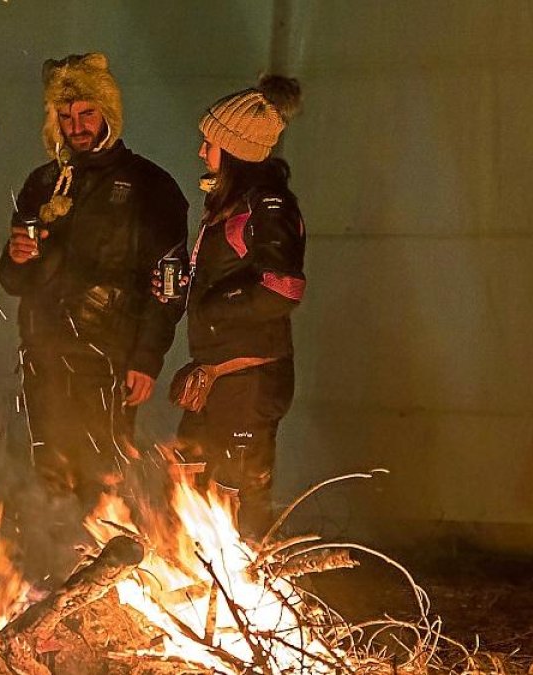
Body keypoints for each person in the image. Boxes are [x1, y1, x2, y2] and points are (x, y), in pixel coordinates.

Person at [0, 53, 188, 509]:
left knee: (102, 476)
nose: (76, 126)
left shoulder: (150, 186)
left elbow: (170, 285)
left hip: (109, 359)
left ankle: (106, 567)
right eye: (65, 117)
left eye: (86, 114)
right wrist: (16, 258)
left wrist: (146, 357)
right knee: (50, 476)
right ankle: (57, 572)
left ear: (109, 113)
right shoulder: (43, 183)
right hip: (44, 354)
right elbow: (9, 280)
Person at [162, 74, 305, 538]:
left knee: (241, 498)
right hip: (219, 378)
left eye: (209, 143)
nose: (201, 152)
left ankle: (250, 594)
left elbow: (282, 287)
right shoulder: (229, 203)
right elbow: (226, 273)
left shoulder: (269, 205)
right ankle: (194, 583)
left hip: (250, 381)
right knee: (190, 481)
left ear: (236, 149)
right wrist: (182, 283)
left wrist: (214, 304)